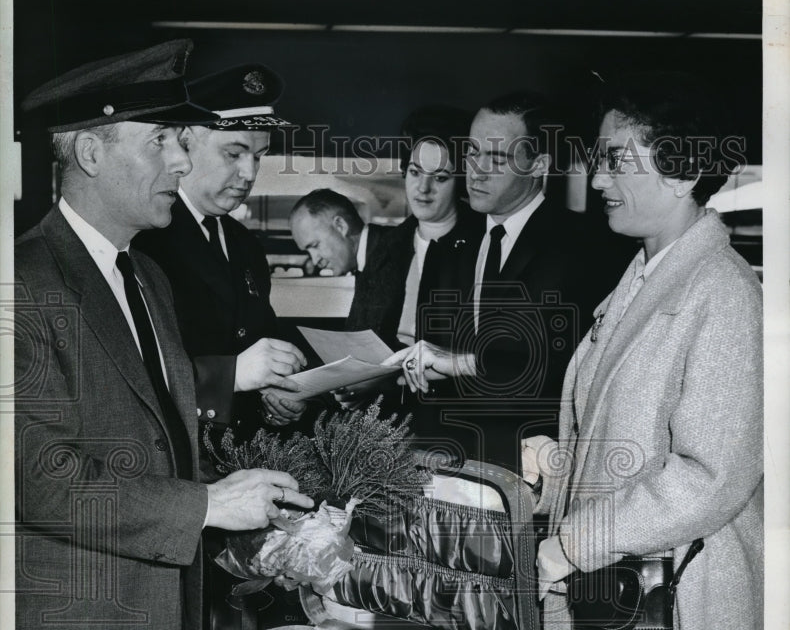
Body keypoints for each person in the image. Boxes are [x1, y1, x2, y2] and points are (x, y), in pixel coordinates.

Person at [14, 40, 314, 630]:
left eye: (186, 144)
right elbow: (36, 476)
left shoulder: (145, 277)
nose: (181, 162)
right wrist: (207, 508)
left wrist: (256, 520)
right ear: (90, 149)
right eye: (165, 142)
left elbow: (165, 447)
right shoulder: (24, 282)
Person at [529, 73, 762, 630]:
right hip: (622, 609)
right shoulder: (645, 277)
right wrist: (562, 468)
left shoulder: (726, 296)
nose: (599, 181)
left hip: (674, 619)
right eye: (600, 159)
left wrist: (569, 540)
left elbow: (708, 475)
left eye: (619, 161)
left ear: (686, 168)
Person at [386, 91, 630, 473]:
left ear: (539, 165)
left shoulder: (586, 250)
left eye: (497, 158)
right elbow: (434, 376)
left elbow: (553, 369)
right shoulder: (448, 248)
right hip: (449, 473)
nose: (476, 171)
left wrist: (455, 362)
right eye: (472, 153)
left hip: (536, 474)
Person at [135, 63, 309, 450]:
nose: (249, 173)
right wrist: (230, 376)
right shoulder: (144, 239)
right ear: (185, 142)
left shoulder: (243, 242)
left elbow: (256, 338)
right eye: (235, 153)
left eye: (259, 156)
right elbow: (129, 380)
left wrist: (276, 394)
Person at [333, 106, 481, 454]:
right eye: (415, 172)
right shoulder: (388, 247)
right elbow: (361, 335)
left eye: (440, 177)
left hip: (451, 424)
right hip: (383, 418)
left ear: (460, 181)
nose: (424, 188)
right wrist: (351, 384)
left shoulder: (483, 245)